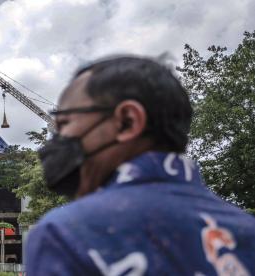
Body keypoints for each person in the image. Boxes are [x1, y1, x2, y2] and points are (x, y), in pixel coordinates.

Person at [25, 56, 255, 275]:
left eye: (64, 123)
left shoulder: (67, 235)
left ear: (128, 122)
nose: (56, 139)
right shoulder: (246, 231)